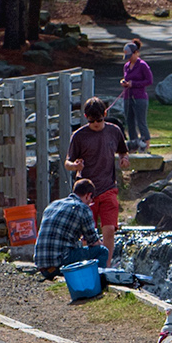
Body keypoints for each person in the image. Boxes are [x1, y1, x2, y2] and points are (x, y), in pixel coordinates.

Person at [65, 97, 129, 257]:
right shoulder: (79, 136)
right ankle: (89, 265)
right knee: (87, 235)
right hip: (86, 192)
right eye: (92, 121)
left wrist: (124, 158)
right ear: (86, 117)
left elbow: (123, 150)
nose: (96, 124)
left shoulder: (114, 131)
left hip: (108, 188)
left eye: (99, 120)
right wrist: (75, 166)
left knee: (109, 230)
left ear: (105, 114)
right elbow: (67, 162)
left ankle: (105, 268)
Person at [33, 178, 109, 279]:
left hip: (42, 265)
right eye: (91, 200)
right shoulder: (82, 208)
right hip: (60, 263)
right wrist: (100, 243)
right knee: (102, 251)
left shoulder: (53, 205)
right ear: (88, 195)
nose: (90, 203)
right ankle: (95, 283)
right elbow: (93, 242)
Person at [120, 39, 153, 152]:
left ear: (136, 53)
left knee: (141, 122)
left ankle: (145, 146)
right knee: (129, 121)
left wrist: (134, 84)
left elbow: (149, 81)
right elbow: (126, 78)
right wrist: (124, 82)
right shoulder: (126, 66)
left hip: (140, 97)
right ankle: (133, 145)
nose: (129, 58)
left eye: (130, 55)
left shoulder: (142, 65)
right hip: (128, 97)